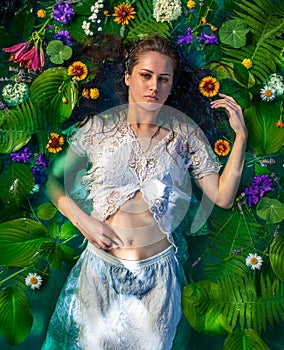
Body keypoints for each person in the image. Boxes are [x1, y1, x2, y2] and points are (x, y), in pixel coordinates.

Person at [41, 36, 247, 349]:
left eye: (164, 79)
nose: (154, 86)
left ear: (171, 84)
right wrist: (82, 220)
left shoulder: (186, 135)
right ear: (128, 77)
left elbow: (222, 197)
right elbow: (52, 181)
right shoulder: (98, 128)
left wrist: (241, 136)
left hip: (159, 278)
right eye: (146, 76)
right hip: (100, 270)